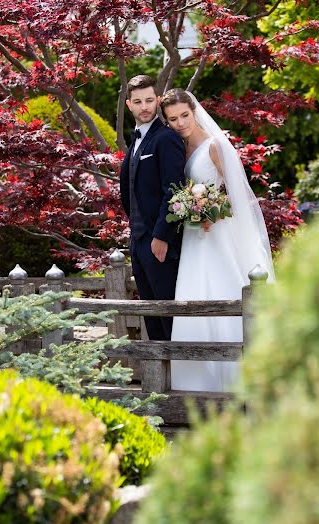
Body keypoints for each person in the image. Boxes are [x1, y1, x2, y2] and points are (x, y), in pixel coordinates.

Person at [160, 88, 275, 392]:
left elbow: (238, 195)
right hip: (195, 238)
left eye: (185, 115)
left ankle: (238, 375)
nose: (181, 122)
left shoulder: (214, 146)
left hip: (218, 233)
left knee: (224, 287)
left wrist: (213, 211)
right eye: (173, 119)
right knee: (194, 293)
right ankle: (197, 381)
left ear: (194, 112)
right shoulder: (177, 148)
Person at [120, 75, 186, 341]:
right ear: (129, 105)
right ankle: (161, 381)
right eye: (138, 102)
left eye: (149, 100)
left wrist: (161, 236)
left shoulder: (166, 138)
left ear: (158, 101)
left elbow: (173, 189)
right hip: (138, 241)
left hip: (159, 243)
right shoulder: (136, 140)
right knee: (152, 317)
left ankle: (179, 379)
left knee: (168, 316)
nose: (144, 106)